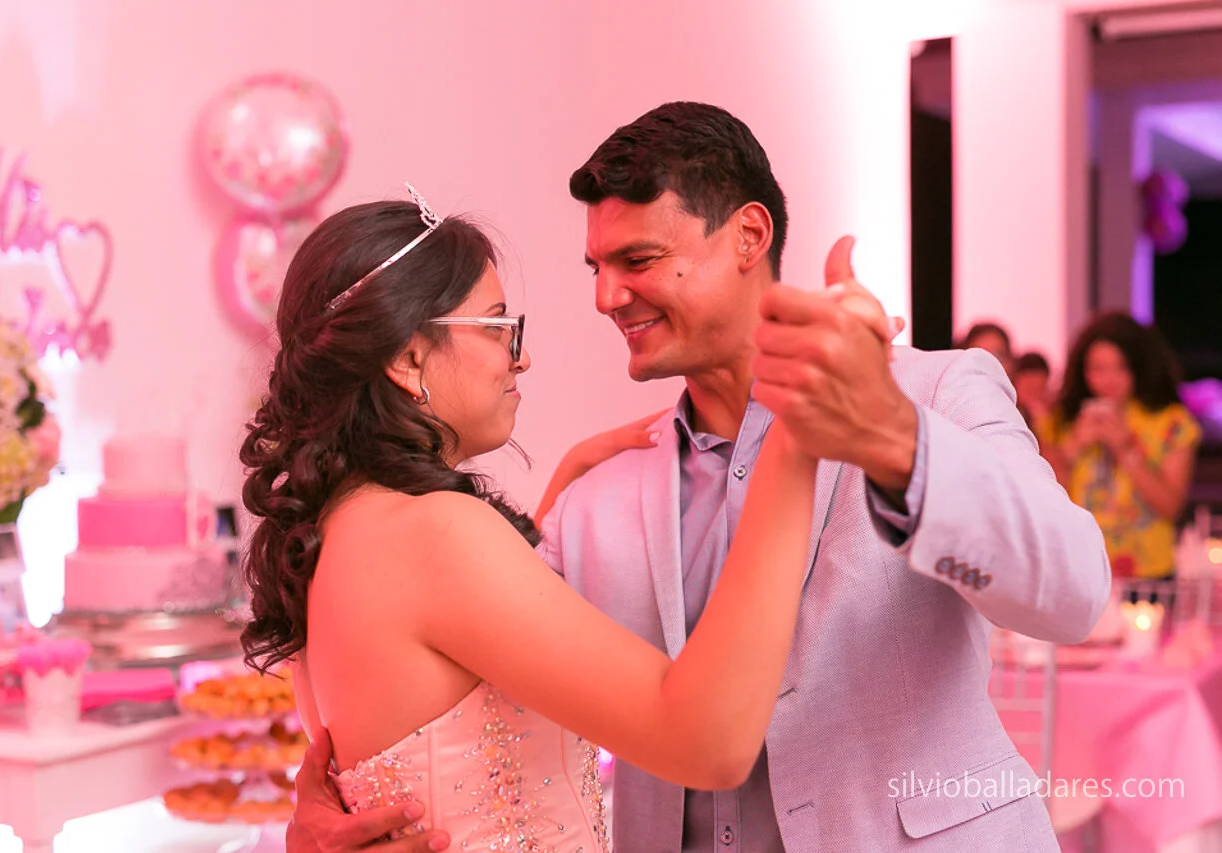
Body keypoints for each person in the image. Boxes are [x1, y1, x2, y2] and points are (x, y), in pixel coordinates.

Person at [288, 102, 1110, 852]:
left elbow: (1072, 592)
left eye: (637, 259)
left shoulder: (931, 395)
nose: (606, 295)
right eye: (595, 266)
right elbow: (463, 698)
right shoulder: (599, 492)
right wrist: (327, 812)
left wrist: (894, 441)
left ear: (749, 236)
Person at [241, 189, 896, 852]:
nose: (519, 357)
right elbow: (707, 742)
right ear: (408, 359)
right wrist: (791, 435)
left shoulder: (339, 535)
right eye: (497, 326)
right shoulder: (434, 533)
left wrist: (561, 489)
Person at [1037, 312, 1201, 580]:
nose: (1108, 379)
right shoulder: (1061, 420)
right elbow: (1045, 504)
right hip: (1080, 570)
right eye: (1097, 369)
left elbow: (1171, 506)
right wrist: (1073, 447)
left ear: (1139, 367)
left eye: (1121, 367)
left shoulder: (1172, 423)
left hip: (1148, 574)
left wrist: (1126, 450)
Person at [1012, 350, 1052, 436]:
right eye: (1029, 388)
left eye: (1040, 388)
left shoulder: (1051, 417)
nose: (1034, 395)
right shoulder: (1007, 414)